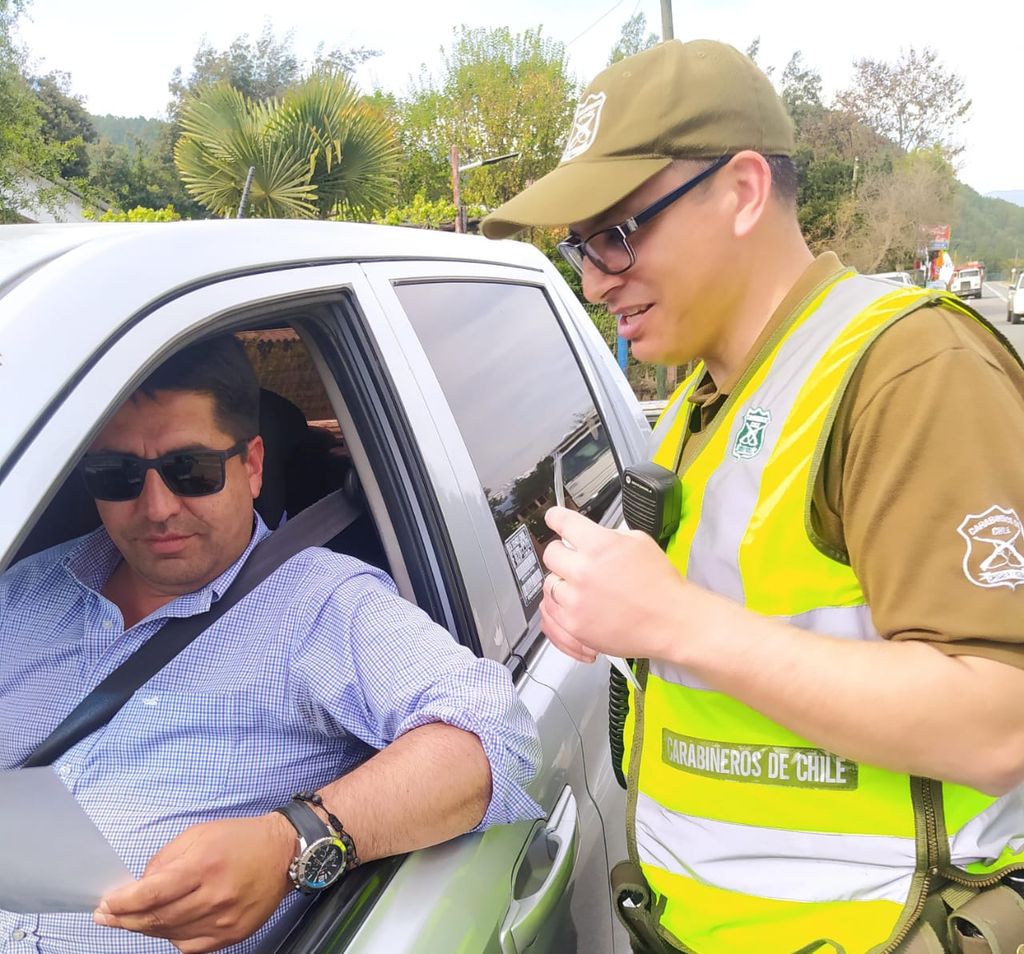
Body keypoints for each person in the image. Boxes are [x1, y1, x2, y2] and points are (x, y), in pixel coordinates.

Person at [482, 39, 1024, 954]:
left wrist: (675, 622)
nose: (595, 279)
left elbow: (1001, 721)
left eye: (618, 233)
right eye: (581, 246)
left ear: (741, 191)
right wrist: (617, 615)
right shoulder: (699, 406)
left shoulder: (909, 370)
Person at [0, 336, 541, 953]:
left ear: (252, 465)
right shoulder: (21, 592)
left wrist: (295, 839)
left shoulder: (321, 605)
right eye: (117, 476)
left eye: (191, 470)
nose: (157, 507)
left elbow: (494, 738)